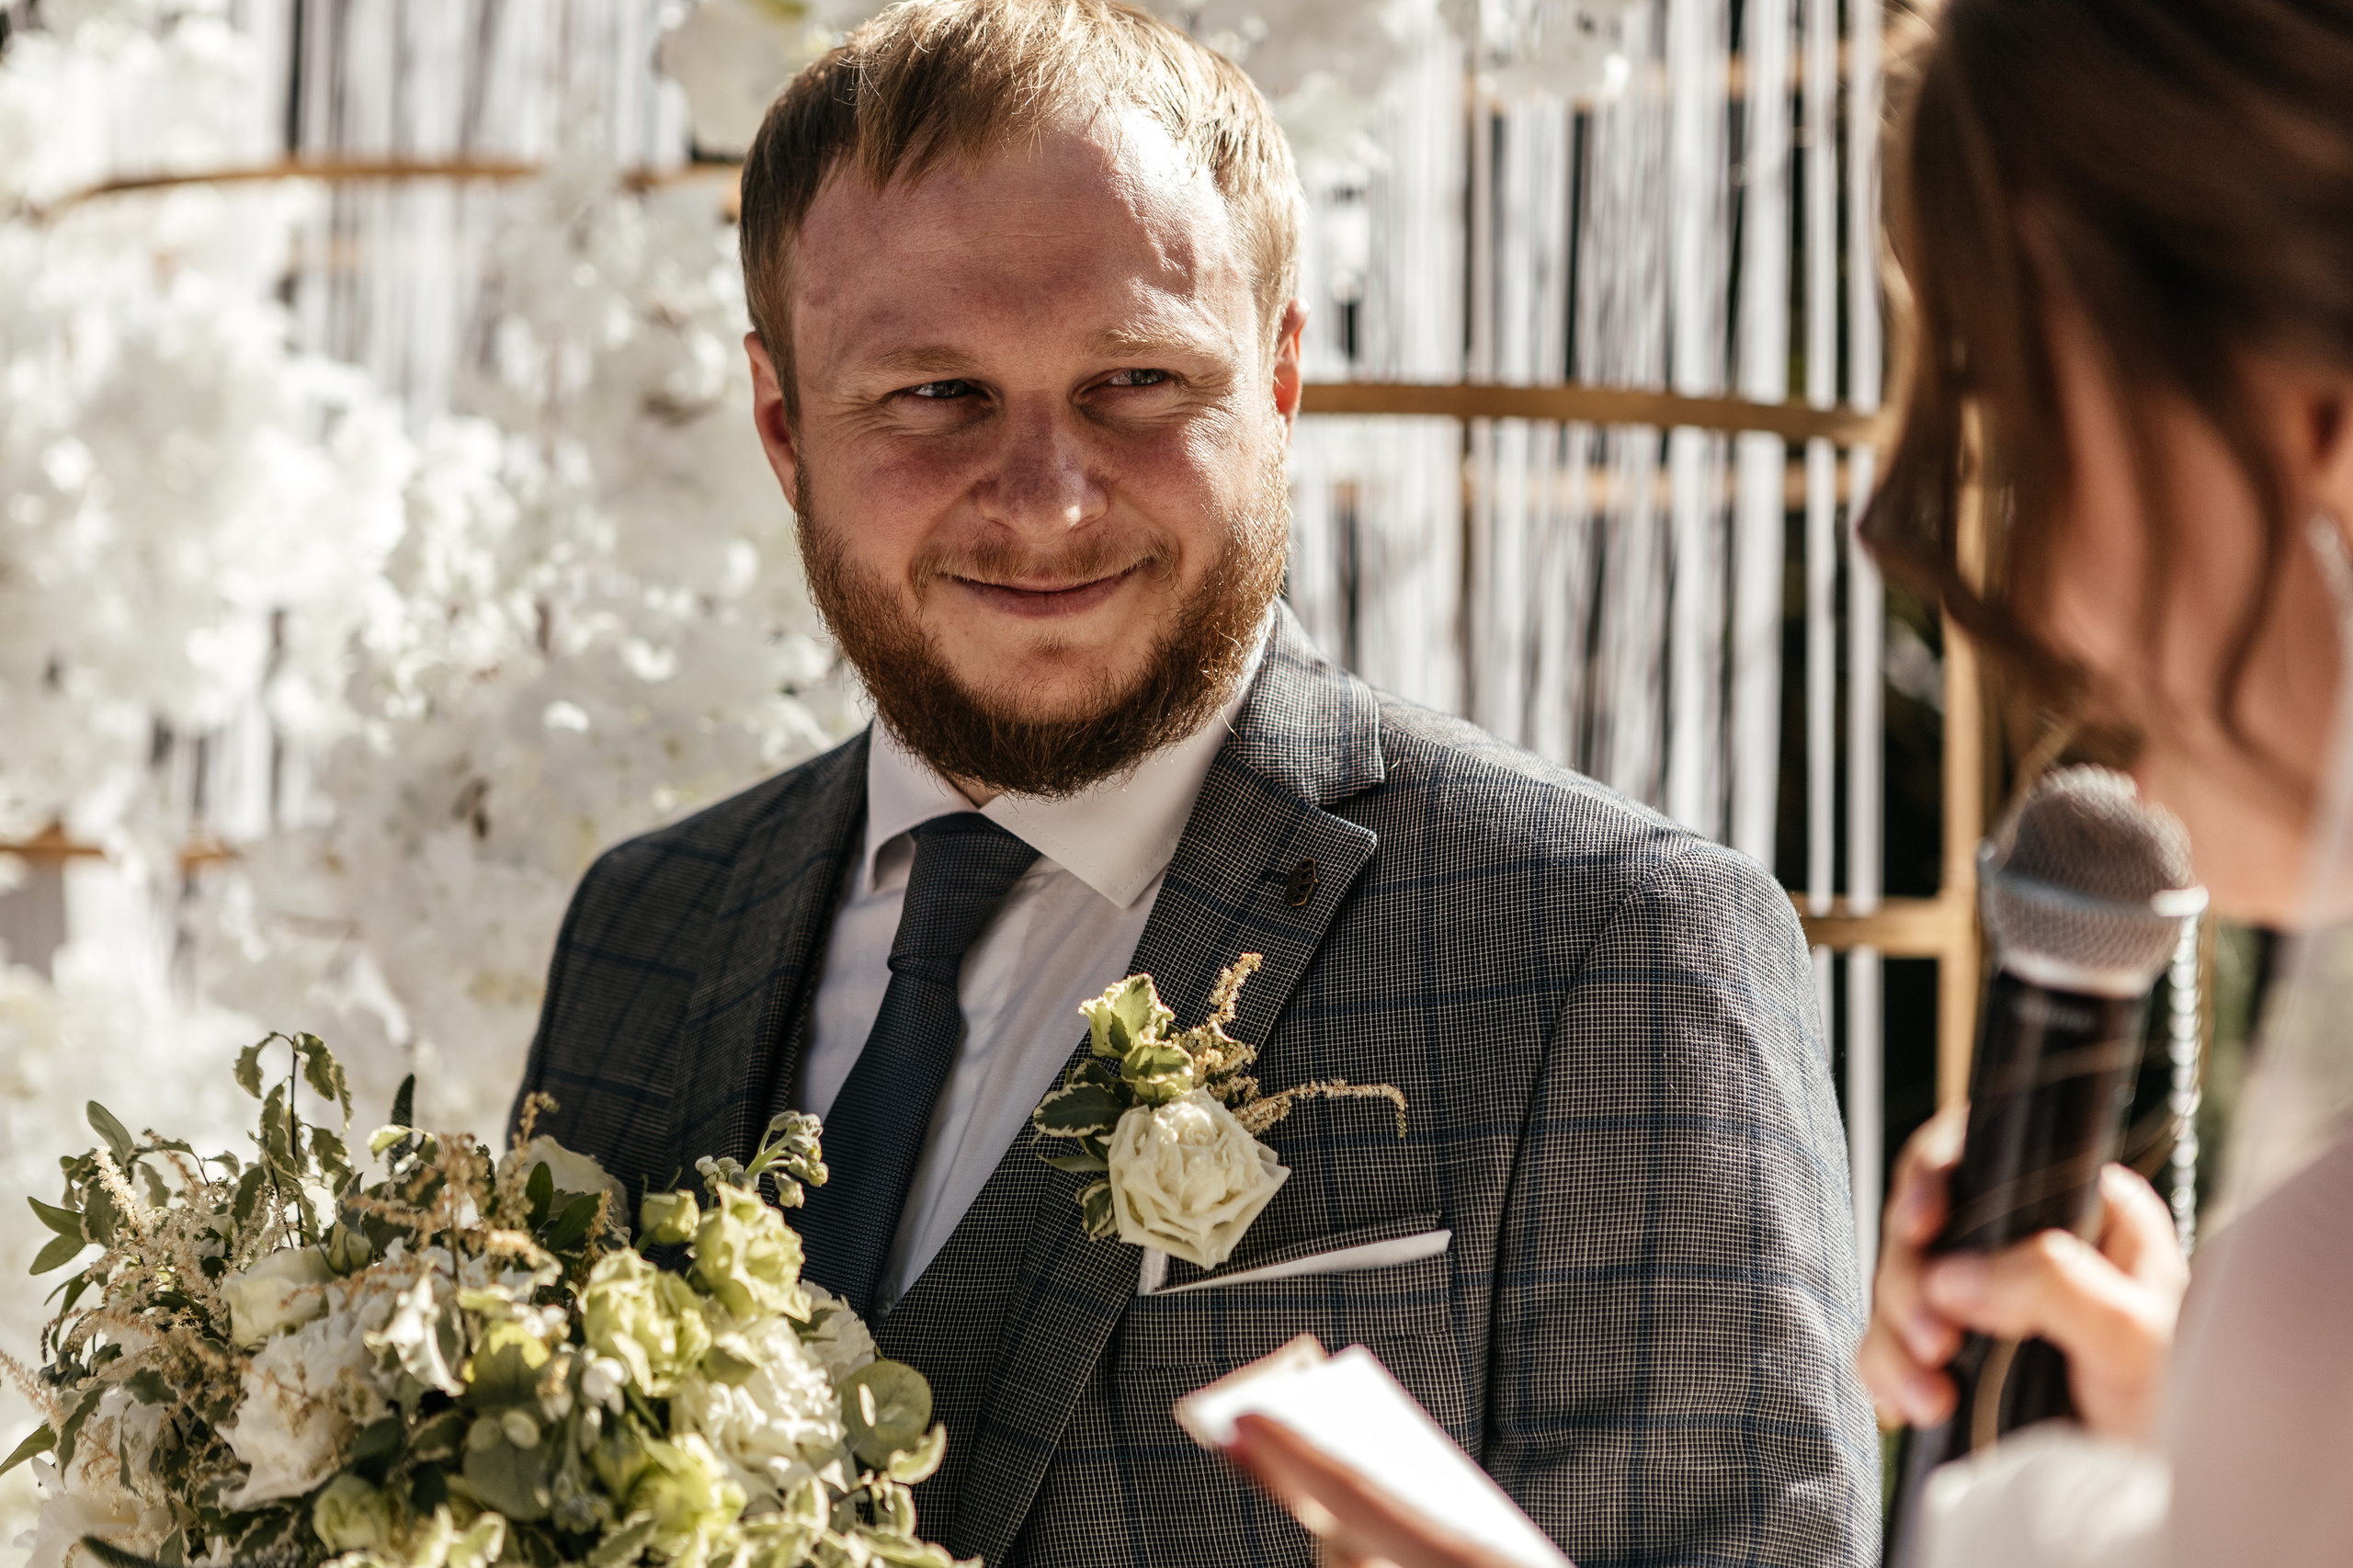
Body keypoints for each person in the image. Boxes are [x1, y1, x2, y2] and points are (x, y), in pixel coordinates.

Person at [510, 2, 1877, 1564]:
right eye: (932, 395)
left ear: (1281, 384)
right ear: (780, 425)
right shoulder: (645, 931)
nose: (1048, 499)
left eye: (1140, 379)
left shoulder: (1607, 946)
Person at [1245, 0, 2353, 1563]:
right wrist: (2179, 1437)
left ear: (2320, 425)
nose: (2017, 588)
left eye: (2031, 436)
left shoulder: (2317, 1303)